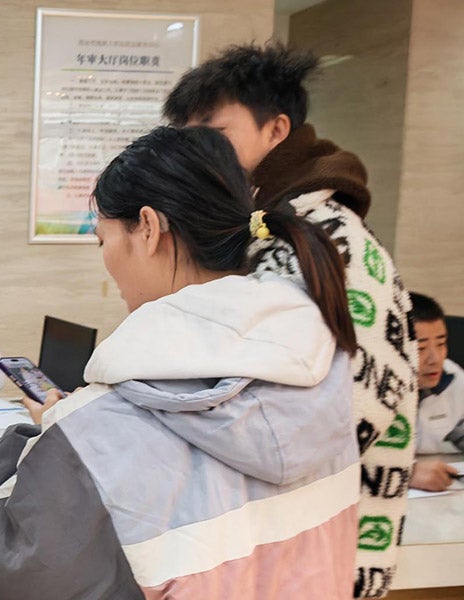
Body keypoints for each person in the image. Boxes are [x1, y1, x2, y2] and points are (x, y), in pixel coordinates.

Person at [0, 126, 360, 599]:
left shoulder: (96, 429)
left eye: (103, 241)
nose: (107, 262)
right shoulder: (327, 376)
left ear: (149, 229)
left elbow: (24, 571)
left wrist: (44, 438)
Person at [164, 42, 417, 598]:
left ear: (277, 129)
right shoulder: (276, 227)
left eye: (215, 132)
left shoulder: (323, 234)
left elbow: (337, 421)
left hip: (322, 555)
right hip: (295, 548)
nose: (199, 153)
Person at [407, 292, 464, 492]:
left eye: (441, 344)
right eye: (421, 348)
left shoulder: (453, 378)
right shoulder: (362, 391)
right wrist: (408, 474)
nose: (435, 359)